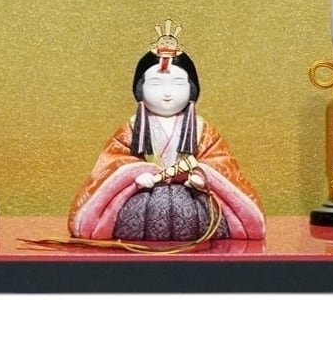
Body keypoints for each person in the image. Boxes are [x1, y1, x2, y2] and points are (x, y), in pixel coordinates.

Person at [68, 25, 264, 241]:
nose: (167, 93)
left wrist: (201, 176)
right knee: (144, 211)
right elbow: (113, 161)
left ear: (191, 88)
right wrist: (136, 173)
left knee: (195, 213)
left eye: (178, 84)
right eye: (156, 84)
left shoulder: (202, 129)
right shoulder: (132, 127)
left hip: (190, 192)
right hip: (144, 192)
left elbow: (220, 162)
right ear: (140, 88)